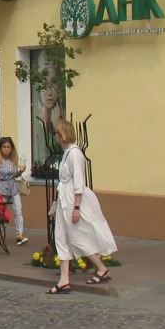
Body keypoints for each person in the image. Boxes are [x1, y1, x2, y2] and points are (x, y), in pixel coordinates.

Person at [48, 119, 117, 293]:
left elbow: (78, 181)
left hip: (72, 200)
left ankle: (101, 268)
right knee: (62, 237)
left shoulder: (75, 154)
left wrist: (77, 207)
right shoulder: (67, 153)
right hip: (66, 199)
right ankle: (64, 280)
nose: (55, 136)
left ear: (62, 135)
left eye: (57, 133)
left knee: (77, 237)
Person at [0, 137, 29, 247]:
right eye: (4, 147)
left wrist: (20, 171)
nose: (6, 149)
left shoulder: (14, 160)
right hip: (1, 187)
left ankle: (20, 234)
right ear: (0, 148)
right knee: (0, 212)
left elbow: (15, 175)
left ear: (12, 149)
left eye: (8, 147)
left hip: (13, 186)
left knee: (18, 210)